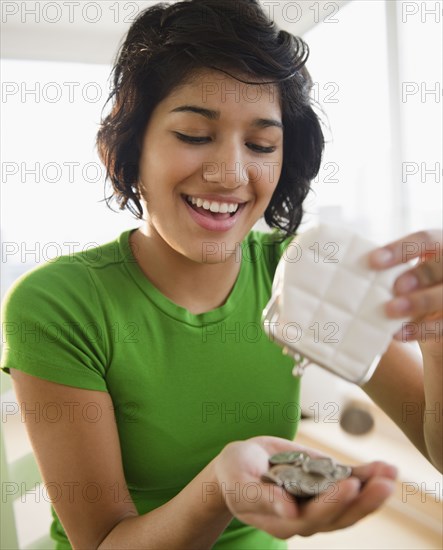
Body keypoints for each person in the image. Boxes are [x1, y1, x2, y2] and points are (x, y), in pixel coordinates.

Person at [1, 0, 441, 548]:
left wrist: (437, 334)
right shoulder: (58, 304)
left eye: (261, 145)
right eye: (192, 134)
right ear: (131, 147)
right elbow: (103, 542)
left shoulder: (300, 273)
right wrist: (219, 485)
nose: (230, 173)